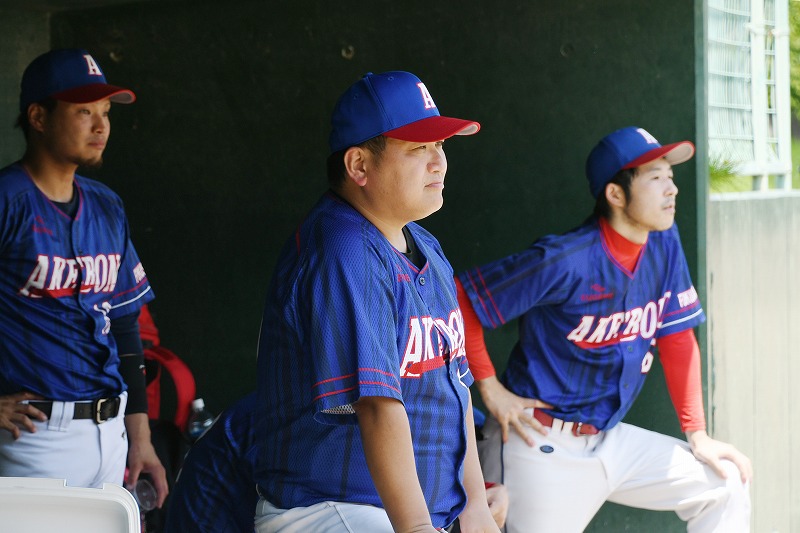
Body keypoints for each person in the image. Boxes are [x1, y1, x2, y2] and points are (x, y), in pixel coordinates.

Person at [456, 126, 752, 532]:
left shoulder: (663, 241)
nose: (672, 189)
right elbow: (461, 298)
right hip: (540, 444)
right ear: (615, 194)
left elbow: (677, 337)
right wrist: (490, 389)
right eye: (655, 177)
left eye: (670, 175)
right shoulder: (565, 258)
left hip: (609, 440)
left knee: (725, 482)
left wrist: (697, 434)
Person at [254, 71, 499, 533]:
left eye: (440, 146)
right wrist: (418, 528)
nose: (439, 163)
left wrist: (476, 510)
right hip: (330, 509)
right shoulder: (343, 249)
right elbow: (377, 406)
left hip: (404, 514)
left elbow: (457, 390)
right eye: (418, 148)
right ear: (359, 166)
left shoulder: (426, 247)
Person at [0, 48, 168, 506]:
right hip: (35, 438)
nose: (101, 126)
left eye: (106, 112)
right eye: (83, 111)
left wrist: (141, 438)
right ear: (38, 117)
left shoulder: (106, 205)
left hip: (111, 435)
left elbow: (127, 326)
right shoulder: (8, 200)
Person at [166, 393, 510, 533]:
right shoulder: (325, 419)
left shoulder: (433, 396)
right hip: (216, 505)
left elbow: (447, 446)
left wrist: (480, 495)